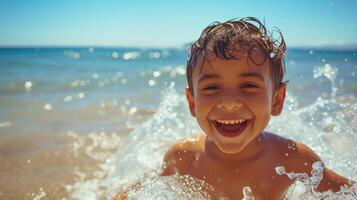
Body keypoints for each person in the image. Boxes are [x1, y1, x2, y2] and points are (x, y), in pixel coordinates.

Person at [116, 17, 354, 200]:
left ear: (276, 100)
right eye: (211, 87)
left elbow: (348, 191)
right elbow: (143, 189)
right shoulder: (184, 157)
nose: (229, 101)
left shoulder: (294, 159)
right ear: (192, 103)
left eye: (249, 85)